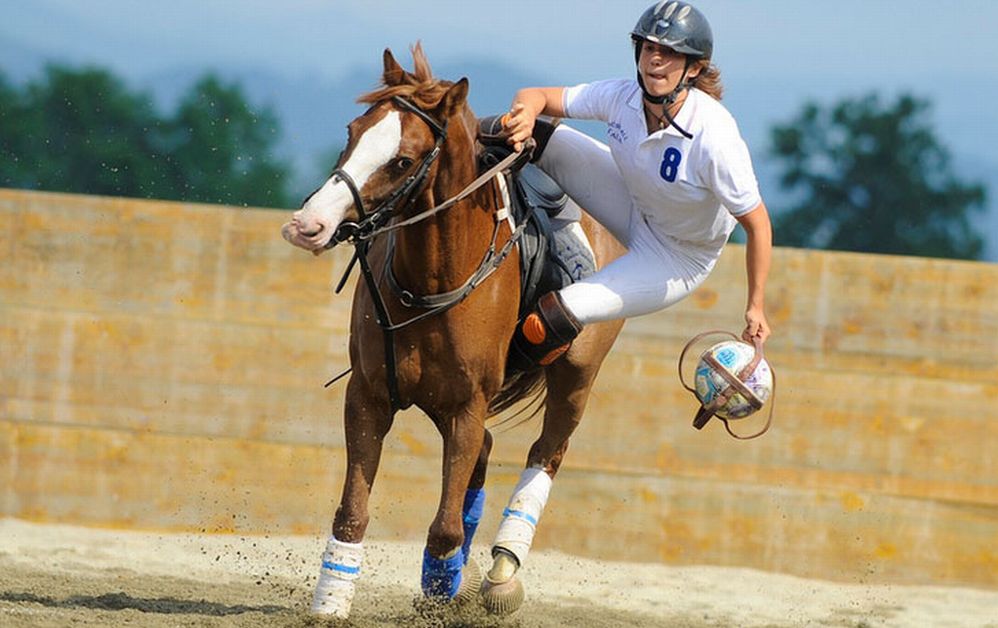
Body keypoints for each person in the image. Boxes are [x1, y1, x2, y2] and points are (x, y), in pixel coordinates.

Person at [501, 0, 772, 369]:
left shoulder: (715, 136)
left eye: (669, 53)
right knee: (520, 132)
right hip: (631, 199)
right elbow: (536, 95)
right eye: (648, 48)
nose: (655, 60)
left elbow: (758, 225)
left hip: (674, 256)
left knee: (548, 321)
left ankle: (493, 383)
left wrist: (755, 306)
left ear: (694, 68)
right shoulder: (622, 96)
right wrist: (524, 114)